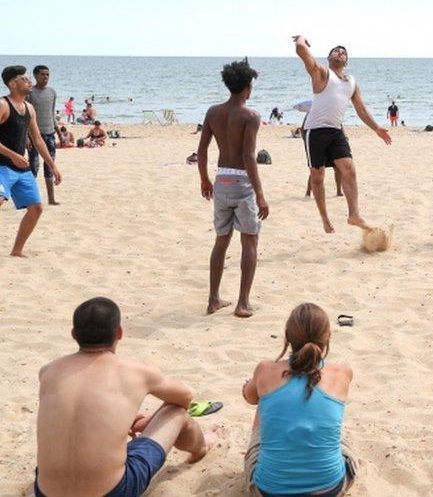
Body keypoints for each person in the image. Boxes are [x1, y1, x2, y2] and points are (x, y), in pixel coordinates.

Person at [35, 297, 217, 497]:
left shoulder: (48, 372)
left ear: (74, 334)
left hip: (45, 492)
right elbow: (185, 398)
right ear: (119, 333)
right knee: (177, 413)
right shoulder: (136, 372)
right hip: (113, 492)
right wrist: (149, 421)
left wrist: (120, 417)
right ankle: (200, 447)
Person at [243, 303, 357, 496]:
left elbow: (249, 397)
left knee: (265, 401)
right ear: (328, 337)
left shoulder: (265, 370)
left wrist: (252, 384)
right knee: (336, 428)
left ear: (287, 337)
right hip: (329, 489)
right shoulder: (342, 372)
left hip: (269, 490)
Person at [293, 35, 392, 233]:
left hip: (336, 130)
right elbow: (301, 51)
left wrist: (377, 128)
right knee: (318, 176)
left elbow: (361, 110)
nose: (340, 52)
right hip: (315, 130)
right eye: (336, 51)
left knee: (349, 169)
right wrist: (302, 39)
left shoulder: (352, 83)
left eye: (344, 52)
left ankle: (354, 214)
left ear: (347, 61)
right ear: (329, 58)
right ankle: (325, 218)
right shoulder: (321, 72)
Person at [197, 59, 269, 318]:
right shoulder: (250, 116)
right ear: (248, 87)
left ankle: (213, 299)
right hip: (242, 182)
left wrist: (204, 179)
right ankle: (242, 303)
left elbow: (202, 150)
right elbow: (249, 156)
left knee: (221, 240)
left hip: (221, 179)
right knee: (249, 240)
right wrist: (260, 194)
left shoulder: (213, 112)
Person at [0, 65, 62, 257]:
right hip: (2, 166)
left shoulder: (29, 108)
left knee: (36, 208)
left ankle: (16, 251)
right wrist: (12, 155)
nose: (29, 81)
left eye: (28, 78)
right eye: (24, 78)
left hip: (21, 169)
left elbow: (37, 139)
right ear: (12, 84)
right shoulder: (2, 105)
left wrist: (53, 165)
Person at [25, 66, 59, 205]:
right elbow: (24, 115)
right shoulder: (29, 93)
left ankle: (51, 199)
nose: (46, 77)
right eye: (43, 74)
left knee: (50, 165)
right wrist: (26, 136)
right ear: (35, 76)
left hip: (50, 134)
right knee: (34, 167)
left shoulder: (52, 92)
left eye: (47, 74)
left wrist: (59, 133)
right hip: (34, 136)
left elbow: (52, 114)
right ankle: (30, 200)